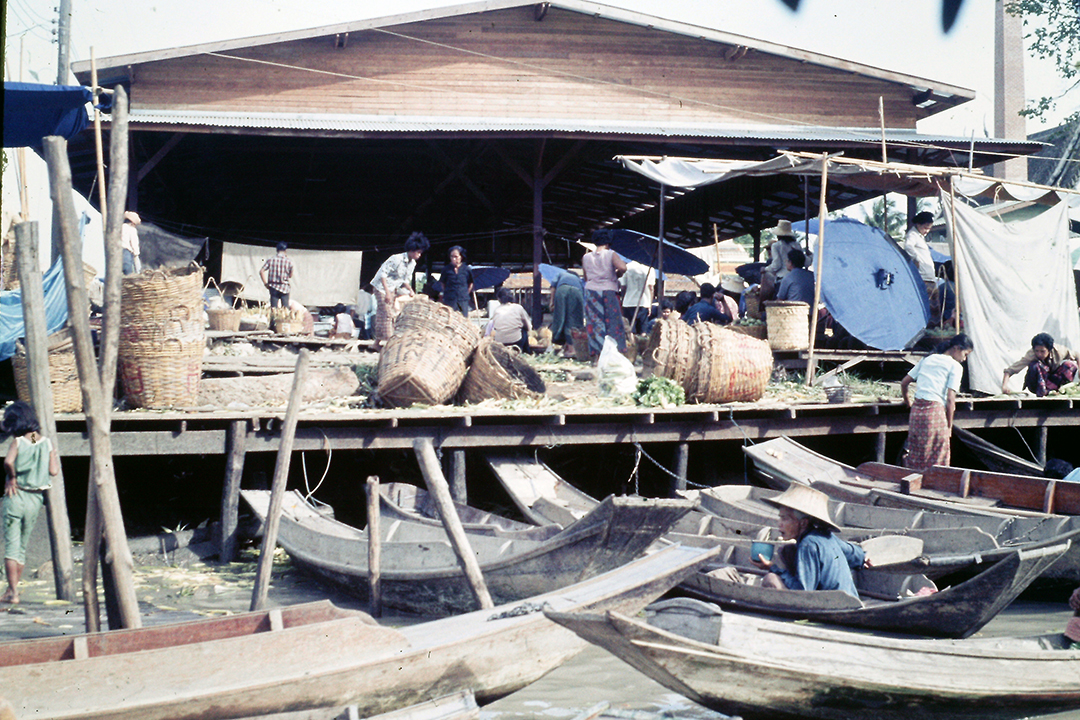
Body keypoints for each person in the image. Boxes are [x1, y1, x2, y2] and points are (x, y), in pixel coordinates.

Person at [753, 484, 866, 598]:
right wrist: (863, 559)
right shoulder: (826, 535)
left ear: (803, 523)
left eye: (785, 518)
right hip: (849, 597)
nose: (779, 523)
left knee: (770, 578)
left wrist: (772, 567)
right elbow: (857, 554)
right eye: (780, 517)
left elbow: (803, 591)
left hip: (831, 604)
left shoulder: (808, 544)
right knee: (788, 551)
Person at [2, 401, 60, 605]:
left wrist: (12, 477)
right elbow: (53, 471)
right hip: (35, 499)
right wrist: (50, 454)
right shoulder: (43, 441)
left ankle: (14, 592)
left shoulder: (18, 442)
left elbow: (8, 462)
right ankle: (12, 590)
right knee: (22, 548)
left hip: (16, 495)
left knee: (11, 546)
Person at [900, 333, 974, 471]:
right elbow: (951, 400)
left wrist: (908, 402)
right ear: (957, 348)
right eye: (965, 354)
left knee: (916, 453)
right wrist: (949, 427)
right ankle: (934, 485)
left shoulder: (927, 359)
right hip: (934, 412)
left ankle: (912, 483)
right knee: (938, 454)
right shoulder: (955, 366)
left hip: (916, 412)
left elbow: (904, 383)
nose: (964, 359)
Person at [371, 232, 429, 349]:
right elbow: (383, 274)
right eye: (418, 252)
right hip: (381, 287)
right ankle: (390, 344)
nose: (419, 255)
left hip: (393, 287)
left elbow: (405, 279)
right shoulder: (396, 258)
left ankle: (376, 343)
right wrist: (387, 293)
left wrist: (411, 290)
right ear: (412, 250)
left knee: (384, 314)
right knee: (388, 313)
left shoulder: (412, 263)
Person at [582, 229, 627, 359]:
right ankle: (613, 354)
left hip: (591, 291)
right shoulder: (611, 254)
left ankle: (597, 355)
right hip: (608, 291)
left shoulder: (586, 257)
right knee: (612, 322)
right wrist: (617, 274)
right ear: (608, 242)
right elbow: (623, 267)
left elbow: (586, 277)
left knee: (594, 322)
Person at [1002, 333, 1078, 397]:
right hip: (1037, 384)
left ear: (1049, 350)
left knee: (1070, 365)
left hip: (1053, 380)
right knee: (1035, 365)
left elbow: (1077, 355)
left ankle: (1059, 392)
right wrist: (1004, 386)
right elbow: (1010, 370)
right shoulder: (1031, 355)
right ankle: (1043, 393)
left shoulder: (1059, 351)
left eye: (1042, 351)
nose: (1039, 354)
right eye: (1037, 351)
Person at [903, 211, 938, 314]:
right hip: (923, 276)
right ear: (918, 224)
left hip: (930, 276)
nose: (927, 231)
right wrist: (916, 259)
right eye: (925, 227)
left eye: (929, 228)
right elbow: (908, 247)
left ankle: (933, 327)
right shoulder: (912, 235)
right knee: (926, 306)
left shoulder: (920, 237)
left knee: (934, 306)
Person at [549, 267, 585, 357]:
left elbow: (553, 288)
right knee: (574, 320)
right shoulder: (578, 280)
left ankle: (561, 343)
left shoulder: (560, 274)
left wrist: (551, 303)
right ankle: (572, 348)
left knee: (560, 317)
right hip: (577, 292)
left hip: (562, 290)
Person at [761, 220, 800, 301]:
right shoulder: (796, 245)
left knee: (778, 305)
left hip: (782, 279)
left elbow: (776, 265)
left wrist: (765, 269)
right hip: (797, 278)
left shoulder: (776, 246)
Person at [485, 287, 532, 353]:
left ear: (499, 299)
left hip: (500, 341)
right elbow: (528, 326)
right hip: (516, 340)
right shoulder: (518, 307)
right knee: (524, 331)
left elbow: (495, 327)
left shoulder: (497, 310)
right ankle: (527, 352)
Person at [619, 260, 654, 335]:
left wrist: (623, 299)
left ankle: (632, 344)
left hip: (628, 302)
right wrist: (650, 305)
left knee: (630, 330)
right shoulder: (650, 268)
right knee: (643, 330)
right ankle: (642, 345)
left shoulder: (627, 267)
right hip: (644, 302)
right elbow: (651, 288)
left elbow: (623, 286)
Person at [439, 246, 474, 317]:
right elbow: (443, 283)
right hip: (450, 299)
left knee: (463, 318)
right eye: (452, 257)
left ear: (461, 257)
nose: (453, 259)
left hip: (462, 299)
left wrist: (465, 293)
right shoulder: (446, 270)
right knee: (450, 317)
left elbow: (470, 283)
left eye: (456, 256)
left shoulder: (466, 269)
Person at [259, 242, 294, 308]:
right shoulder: (289, 261)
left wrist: (265, 283)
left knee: (273, 309)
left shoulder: (270, 260)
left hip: (273, 287)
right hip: (284, 287)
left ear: (277, 250)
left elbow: (261, 271)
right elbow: (290, 275)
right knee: (285, 309)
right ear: (285, 250)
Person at [121, 211, 141, 275]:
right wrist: (136, 254)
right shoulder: (132, 229)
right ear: (132, 223)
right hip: (126, 252)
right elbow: (134, 243)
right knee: (128, 273)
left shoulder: (120, 227)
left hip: (117, 250)